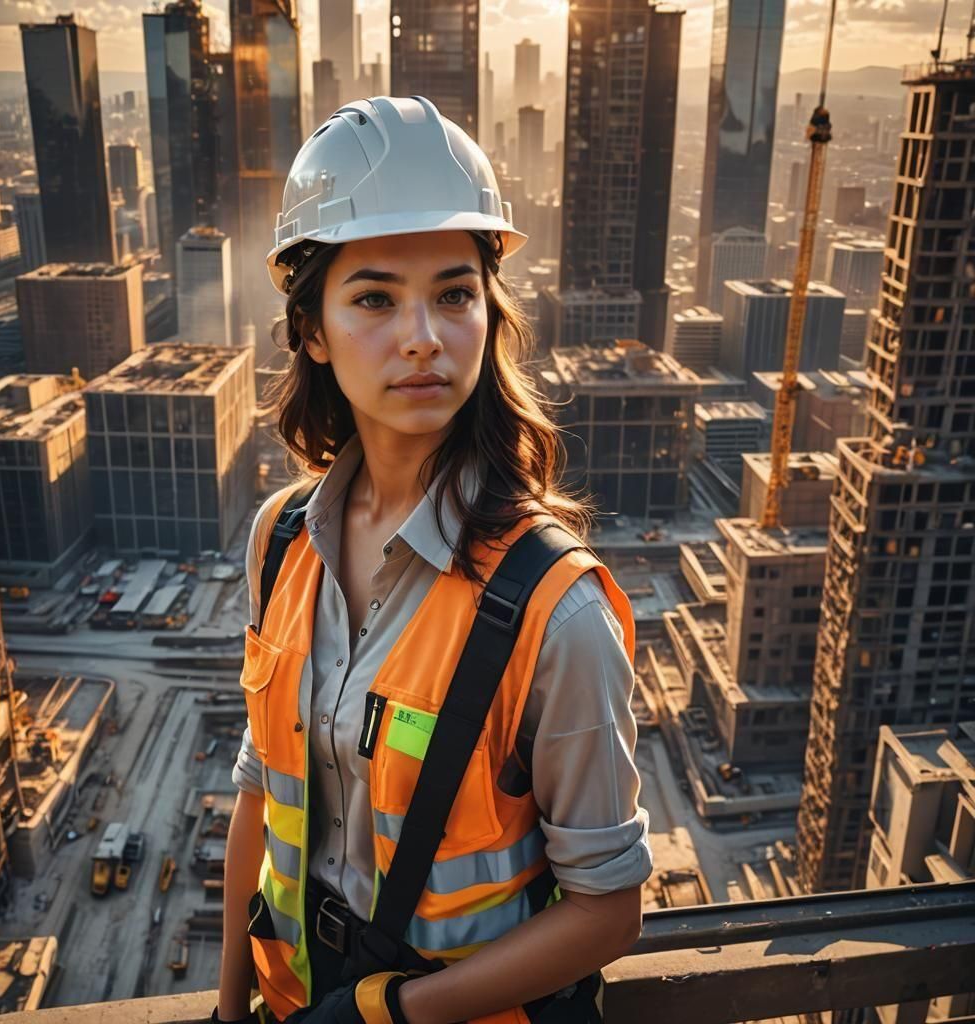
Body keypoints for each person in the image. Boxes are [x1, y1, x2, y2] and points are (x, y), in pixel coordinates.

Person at [215, 95, 652, 1024]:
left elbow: (607, 912)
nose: (423, 335)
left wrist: (391, 1014)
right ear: (312, 332)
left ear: (488, 316)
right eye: (375, 297)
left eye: (454, 294)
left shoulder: (554, 609)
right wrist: (228, 1005)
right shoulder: (280, 542)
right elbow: (261, 794)